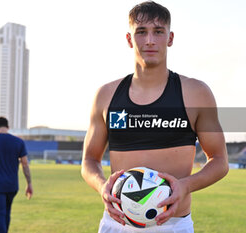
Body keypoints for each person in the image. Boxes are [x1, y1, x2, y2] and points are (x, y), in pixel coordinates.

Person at [81, 1, 229, 232]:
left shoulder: (196, 93)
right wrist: (102, 187)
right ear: (130, 40)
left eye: (158, 32)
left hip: (173, 225)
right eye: (141, 32)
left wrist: (185, 186)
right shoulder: (106, 95)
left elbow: (220, 160)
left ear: (170, 38)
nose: (150, 40)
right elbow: (89, 160)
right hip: (117, 225)